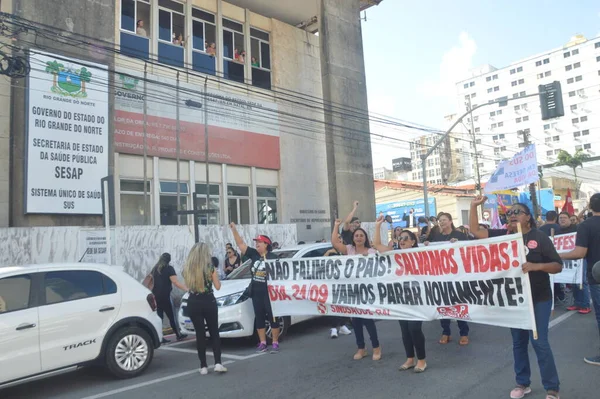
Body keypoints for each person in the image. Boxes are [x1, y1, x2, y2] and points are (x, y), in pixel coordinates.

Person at [470, 196, 562, 399]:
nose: (511, 215)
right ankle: (522, 383)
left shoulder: (540, 238)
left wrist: (536, 266)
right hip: (515, 300)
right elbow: (476, 231)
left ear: (528, 218)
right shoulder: (503, 236)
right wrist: (473, 206)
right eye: (509, 213)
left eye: (516, 212)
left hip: (539, 299)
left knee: (539, 342)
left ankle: (552, 388)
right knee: (518, 343)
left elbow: (557, 265)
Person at [373, 219, 427, 373]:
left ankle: (421, 360)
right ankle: (410, 359)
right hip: (401, 297)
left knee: (415, 328)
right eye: (400, 238)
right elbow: (377, 244)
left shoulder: (421, 254)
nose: (401, 241)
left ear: (413, 242)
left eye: (405, 238)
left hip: (418, 298)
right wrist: (377, 226)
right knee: (405, 330)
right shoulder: (394, 254)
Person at [333, 218, 389, 361]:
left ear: (365, 238)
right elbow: (335, 243)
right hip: (352, 291)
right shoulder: (349, 250)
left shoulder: (371, 251)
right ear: (353, 238)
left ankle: (376, 347)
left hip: (367, 290)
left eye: (361, 235)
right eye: (356, 235)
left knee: (368, 320)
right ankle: (361, 348)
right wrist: (336, 226)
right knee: (356, 321)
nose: (358, 237)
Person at [559, 193, 600, 366]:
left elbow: (580, 253)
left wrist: (557, 255)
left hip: (596, 277)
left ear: (590, 207)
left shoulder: (585, 226)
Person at [230, 223, 281, 353]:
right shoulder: (253, 254)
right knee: (259, 317)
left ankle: (275, 342)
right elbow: (241, 244)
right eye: (256, 242)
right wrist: (234, 230)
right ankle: (263, 342)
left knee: (272, 317)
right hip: (256, 292)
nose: (257, 244)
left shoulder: (273, 258)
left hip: (269, 293)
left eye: (260, 242)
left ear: (266, 245)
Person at [424, 212, 471, 345]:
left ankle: (464, 333)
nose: (442, 222)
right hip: (441, 277)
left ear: (450, 221)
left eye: (444, 220)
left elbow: (469, 250)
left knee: (458, 304)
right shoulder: (436, 237)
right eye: (440, 221)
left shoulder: (460, 235)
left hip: (457, 276)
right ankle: (446, 332)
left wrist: (458, 244)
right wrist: (427, 245)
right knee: (443, 304)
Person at [182, 243, 227, 375]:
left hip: (193, 301)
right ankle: (218, 363)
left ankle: (203, 366)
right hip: (208, 300)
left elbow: (187, 285)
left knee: (199, 334)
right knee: (214, 332)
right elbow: (217, 286)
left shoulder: (188, 268)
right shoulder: (210, 267)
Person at [151, 253, 188, 343]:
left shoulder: (154, 269)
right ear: (169, 260)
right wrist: (187, 289)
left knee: (159, 318)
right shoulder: (169, 268)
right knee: (172, 317)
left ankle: (160, 337)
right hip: (165, 297)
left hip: (156, 296)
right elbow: (175, 282)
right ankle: (178, 334)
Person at [325, 241, 353, 339]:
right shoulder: (330, 252)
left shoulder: (346, 252)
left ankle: (342, 325)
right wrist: (328, 253)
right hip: (332, 284)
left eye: (341, 241)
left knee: (344, 305)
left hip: (344, 283)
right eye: (338, 240)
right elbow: (320, 262)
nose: (339, 242)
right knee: (334, 306)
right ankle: (333, 328)